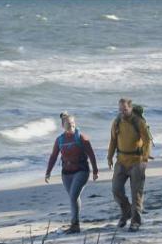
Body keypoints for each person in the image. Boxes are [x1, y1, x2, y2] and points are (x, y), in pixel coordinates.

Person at [45, 112, 99, 233]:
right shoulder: (59, 140)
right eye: (68, 124)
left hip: (81, 171)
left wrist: (95, 170)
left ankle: (75, 225)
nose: (71, 126)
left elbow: (91, 154)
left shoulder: (81, 138)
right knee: (73, 197)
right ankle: (76, 223)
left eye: (73, 124)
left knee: (73, 196)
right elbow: (53, 156)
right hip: (66, 174)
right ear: (63, 125)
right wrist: (48, 172)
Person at [107, 97, 152, 231]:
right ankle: (126, 211)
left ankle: (135, 221)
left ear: (130, 108)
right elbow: (113, 141)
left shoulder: (139, 122)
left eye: (125, 109)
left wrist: (145, 157)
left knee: (136, 193)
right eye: (120, 109)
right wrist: (109, 157)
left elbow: (147, 140)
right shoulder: (116, 122)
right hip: (121, 161)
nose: (122, 112)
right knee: (116, 190)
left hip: (137, 162)